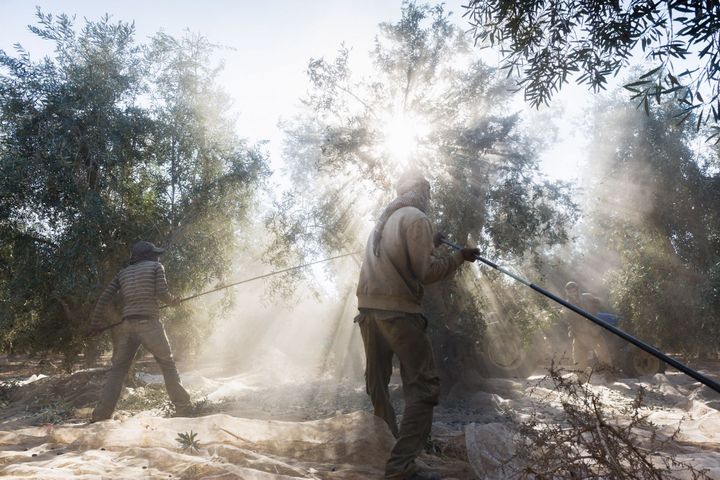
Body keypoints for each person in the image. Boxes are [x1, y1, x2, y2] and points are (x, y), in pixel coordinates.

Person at [355, 170, 479, 480]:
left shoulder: (384, 221)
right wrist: (459, 257)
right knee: (424, 388)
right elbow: (426, 272)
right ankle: (400, 466)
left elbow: (402, 258)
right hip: (399, 313)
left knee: (378, 384)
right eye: (428, 190)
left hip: (369, 312)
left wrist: (431, 244)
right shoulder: (417, 219)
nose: (429, 197)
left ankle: (388, 450)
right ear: (421, 190)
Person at [88, 240, 193, 421]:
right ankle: (183, 408)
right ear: (148, 255)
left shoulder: (122, 273)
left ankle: (101, 415)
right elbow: (162, 293)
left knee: (118, 370)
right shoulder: (156, 267)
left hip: (128, 326)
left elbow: (105, 297)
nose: (157, 256)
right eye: (154, 254)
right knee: (167, 365)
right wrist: (173, 301)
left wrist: (95, 324)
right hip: (149, 324)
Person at [564, 281, 612, 374]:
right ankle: (581, 382)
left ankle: (610, 376)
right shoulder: (566, 304)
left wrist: (598, 316)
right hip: (579, 335)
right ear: (567, 292)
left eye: (574, 290)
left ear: (577, 290)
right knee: (578, 360)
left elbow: (601, 304)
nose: (572, 293)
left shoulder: (587, 297)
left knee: (604, 356)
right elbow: (567, 320)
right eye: (570, 291)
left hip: (594, 332)